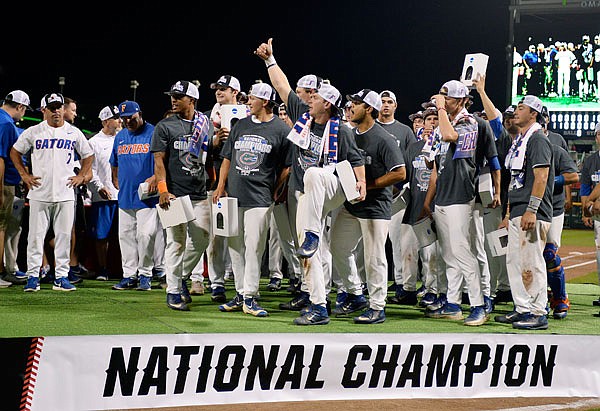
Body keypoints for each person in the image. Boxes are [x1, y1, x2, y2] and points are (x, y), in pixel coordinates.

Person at [254, 38, 366, 325]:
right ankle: (318, 303)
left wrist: (361, 184)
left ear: (327, 103)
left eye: (315, 97)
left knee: (315, 174)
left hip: (332, 188)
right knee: (310, 249)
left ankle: (317, 242)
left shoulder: (341, 129)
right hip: (306, 194)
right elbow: (282, 86)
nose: (309, 99)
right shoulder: (303, 118)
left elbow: (355, 160)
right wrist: (270, 60)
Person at [213, 82, 291, 317]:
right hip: (234, 195)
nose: (248, 102)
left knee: (254, 248)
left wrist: (276, 188)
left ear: (265, 102)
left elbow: (287, 166)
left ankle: (251, 296)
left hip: (260, 197)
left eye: (252, 98)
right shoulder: (241, 125)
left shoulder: (280, 129)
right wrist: (220, 186)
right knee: (235, 247)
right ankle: (240, 293)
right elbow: (227, 157)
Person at [330, 89, 405, 324]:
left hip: (376, 206)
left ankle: (377, 306)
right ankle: (355, 292)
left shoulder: (383, 138)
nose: (351, 106)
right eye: (351, 102)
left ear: (368, 109)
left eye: (357, 103)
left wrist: (368, 185)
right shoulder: (349, 134)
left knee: (374, 258)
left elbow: (400, 173)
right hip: (351, 205)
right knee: (337, 247)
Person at [10, 93, 94, 292]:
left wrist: (82, 176)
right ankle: (33, 276)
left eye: (59, 107)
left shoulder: (73, 132)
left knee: (64, 236)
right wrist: (24, 175)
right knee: (35, 237)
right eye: (52, 107)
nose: (56, 111)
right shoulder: (34, 131)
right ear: (43, 110)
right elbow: (15, 152)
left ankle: (61, 277)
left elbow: (88, 154)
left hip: (65, 193)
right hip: (39, 192)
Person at [424, 80, 488, 326]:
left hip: (460, 195)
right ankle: (453, 303)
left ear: (461, 100)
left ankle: (478, 305)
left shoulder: (468, 122)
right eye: (442, 97)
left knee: (463, 251)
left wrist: (440, 110)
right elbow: (437, 163)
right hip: (444, 194)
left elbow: (450, 136)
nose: (443, 101)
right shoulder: (448, 121)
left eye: (447, 98)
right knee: (449, 254)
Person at [151, 80, 212, 311]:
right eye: (172, 96)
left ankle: (180, 277)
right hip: (174, 194)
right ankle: (174, 291)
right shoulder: (165, 126)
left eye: (179, 96)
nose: (173, 100)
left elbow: (210, 154)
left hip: (199, 192)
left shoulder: (206, 124)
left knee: (202, 239)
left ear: (192, 100)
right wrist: (163, 190)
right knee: (176, 243)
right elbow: (159, 161)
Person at [495, 95, 554, 330]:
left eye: (522, 108)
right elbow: (514, 184)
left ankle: (538, 311)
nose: (516, 112)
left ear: (534, 114)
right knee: (515, 261)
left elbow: (541, 177)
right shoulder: (520, 140)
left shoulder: (537, 139)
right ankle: (522, 308)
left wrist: (532, 210)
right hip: (519, 210)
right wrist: (510, 213)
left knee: (531, 262)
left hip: (532, 212)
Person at [109, 101, 159, 292]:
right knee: (126, 237)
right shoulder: (120, 136)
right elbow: (114, 161)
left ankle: (145, 274)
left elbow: (161, 160)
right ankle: (129, 275)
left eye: (131, 117)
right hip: (126, 196)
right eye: (124, 118)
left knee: (145, 236)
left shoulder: (153, 132)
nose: (128, 121)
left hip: (147, 196)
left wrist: (156, 177)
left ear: (139, 113)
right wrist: (115, 178)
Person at [205, 74, 243, 303]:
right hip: (218, 177)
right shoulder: (213, 113)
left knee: (241, 237)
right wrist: (216, 141)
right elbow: (206, 146)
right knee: (216, 235)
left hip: (242, 180)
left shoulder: (248, 112)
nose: (219, 92)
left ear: (235, 92)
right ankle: (217, 283)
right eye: (217, 88)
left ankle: (242, 286)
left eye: (224, 88)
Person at [0, 90, 32, 287]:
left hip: (6, 181)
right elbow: (0, 159)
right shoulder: (5, 124)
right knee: (1, 226)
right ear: (20, 107)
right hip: (4, 183)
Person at [88, 105, 122, 281]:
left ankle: (125, 270)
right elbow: (90, 169)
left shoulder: (124, 139)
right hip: (104, 195)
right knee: (102, 235)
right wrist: (99, 186)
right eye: (116, 118)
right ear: (106, 121)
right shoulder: (94, 142)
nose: (120, 120)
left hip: (123, 196)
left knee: (125, 235)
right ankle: (102, 269)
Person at [580, 122, 600, 308]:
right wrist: (586, 211)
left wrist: (589, 204)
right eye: (599, 134)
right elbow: (585, 186)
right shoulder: (591, 160)